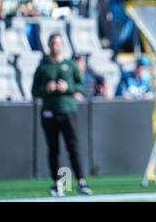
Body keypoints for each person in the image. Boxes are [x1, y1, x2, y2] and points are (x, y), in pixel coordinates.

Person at [32, 33, 93, 197]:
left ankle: (81, 181)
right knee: (53, 149)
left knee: (73, 147)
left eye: (57, 43)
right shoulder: (43, 67)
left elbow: (81, 87)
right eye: (52, 43)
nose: (55, 46)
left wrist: (68, 87)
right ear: (48, 45)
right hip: (49, 112)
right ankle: (57, 183)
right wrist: (46, 88)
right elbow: (34, 91)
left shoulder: (71, 65)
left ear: (63, 45)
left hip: (68, 110)